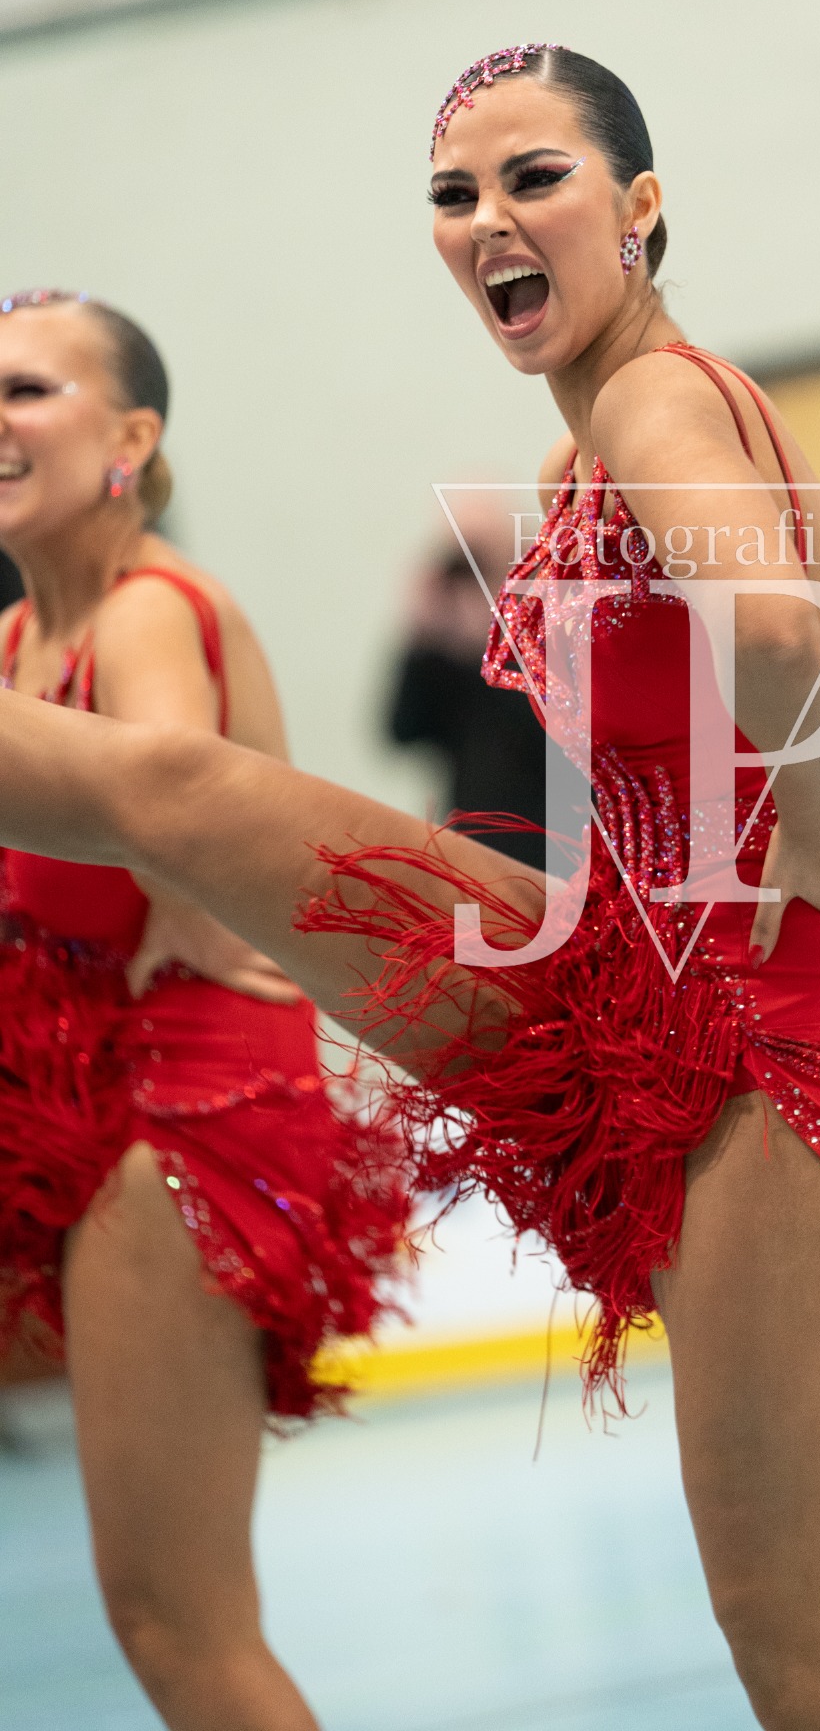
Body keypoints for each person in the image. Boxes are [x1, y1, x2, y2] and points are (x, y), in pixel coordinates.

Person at [0, 51, 820, 1731]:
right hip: (647, 984)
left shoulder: (656, 404)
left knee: (808, 1656)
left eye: (533, 179)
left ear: (640, 207)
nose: (486, 221)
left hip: (788, 1029)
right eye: (453, 195)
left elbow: (777, 628)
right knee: (176, 799)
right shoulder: (583, 451)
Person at [0, 290, 409, 1731]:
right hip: (81, 1097)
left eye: (27, 390)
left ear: (130, 439)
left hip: (183, 1108)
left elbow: (170, 791)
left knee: (180, 1622)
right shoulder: (18, 641)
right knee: (164, 1621)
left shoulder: (149, 611)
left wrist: (197, 893)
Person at [386, 503, 548, 870]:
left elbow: (544, 740)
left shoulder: (552, 640)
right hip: (470, 863)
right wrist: (421, 636)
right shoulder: (450, 656)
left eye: (479, 559)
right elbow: (400, 732)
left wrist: (498, 641)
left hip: (547, 865)